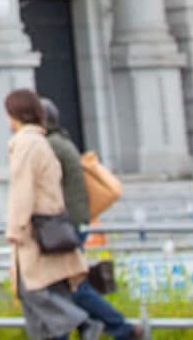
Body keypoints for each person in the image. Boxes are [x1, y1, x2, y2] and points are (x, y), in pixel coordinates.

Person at [41, 99, 140, 340]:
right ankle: (112, 328)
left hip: (62, 228)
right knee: (64, 286)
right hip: (68, 226)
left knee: (72, 286)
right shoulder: (61, 143)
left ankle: (120, 328)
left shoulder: (51, 147)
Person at [4, 88, 87, 340]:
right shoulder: (40, 141)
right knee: (44, 303)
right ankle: (79, 323)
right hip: (50, 227)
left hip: (35, 232)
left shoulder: (25, 144)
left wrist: (15, 229)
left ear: (15, 115)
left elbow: (22, 189)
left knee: (33, 292)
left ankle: (82, 323)